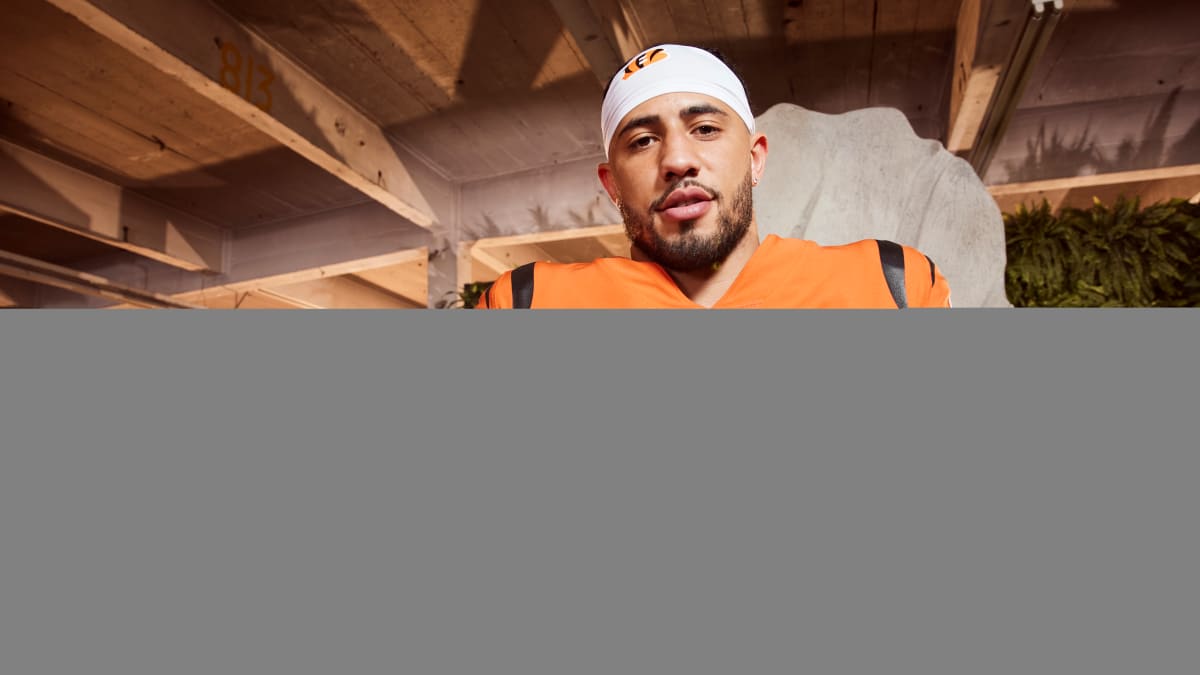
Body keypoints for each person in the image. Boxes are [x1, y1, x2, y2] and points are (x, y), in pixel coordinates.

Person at [477, 44, 951, 308]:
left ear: (755, 158)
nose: (677, 159)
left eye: (705, 129)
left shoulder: (893, 285)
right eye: (642, 140)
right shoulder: (527, 303)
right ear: (612, 185)